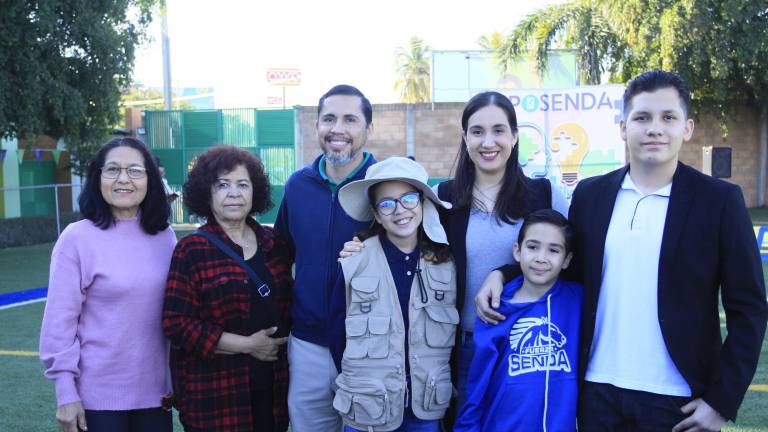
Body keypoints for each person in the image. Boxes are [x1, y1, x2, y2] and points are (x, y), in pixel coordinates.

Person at [476, 70, 768, 431]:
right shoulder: (590, 195)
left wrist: (721, 402)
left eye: (668, 118)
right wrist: (503, 273)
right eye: (642, 117)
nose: (655, 128)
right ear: (623, 127)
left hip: (679, 401)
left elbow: (750, 310)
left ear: (687, 128)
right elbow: (561, 267)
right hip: (597, 393)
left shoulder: (719, 201)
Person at [341, 91, 569, 416]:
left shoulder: (544, 195)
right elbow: (402, 233)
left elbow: (567, 261)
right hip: (465, 344)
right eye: (477, 132)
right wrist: (362, 244)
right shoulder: (443, 199)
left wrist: (503, 273)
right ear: (465, 137)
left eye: (498, 130)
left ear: (515, 136)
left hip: (529, 343)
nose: (487, 142)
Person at [39, 137, 174, 432]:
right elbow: (59, 323)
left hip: (156, 398)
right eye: (113, 169)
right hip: (96, 403)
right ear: (97, 177)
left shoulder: (165, 237)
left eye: (135, 171)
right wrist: (65, 392)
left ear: (150, 179)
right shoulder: (76, 238)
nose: (123, 179)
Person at [163, 145, 293, 432]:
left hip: (274, 390)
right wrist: (248, 345)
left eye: (242, 184)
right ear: (206, 193)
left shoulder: (275, 244)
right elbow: (176, 324)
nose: (234, 193)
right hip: (216, 397)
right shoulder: (191, 250)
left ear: (254, 191)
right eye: (223, 185)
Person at [274, 84, 378, 431]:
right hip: (309, 345)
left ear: (368, 128)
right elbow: (280, 255)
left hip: (370, 343)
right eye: (329, 118)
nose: (338, 129)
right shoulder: (297, 186)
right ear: (316, 125)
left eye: (351, 119)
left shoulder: (385, 185)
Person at [329, 157, 458, 431]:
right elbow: (336, 331)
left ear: (422, 203)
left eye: (408, 199)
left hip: (426, 406)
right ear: (376, 214)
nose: (400, 210)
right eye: (387, 204)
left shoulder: (444, 264)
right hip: (368, 406)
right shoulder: (356, 260)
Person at [454, 209, 581, 432]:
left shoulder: (580, 301)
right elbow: (478, 386)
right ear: (517, 251)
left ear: (567, 260)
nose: (541, 257)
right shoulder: (494, 308)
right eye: (532, 247)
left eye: (553, 250)